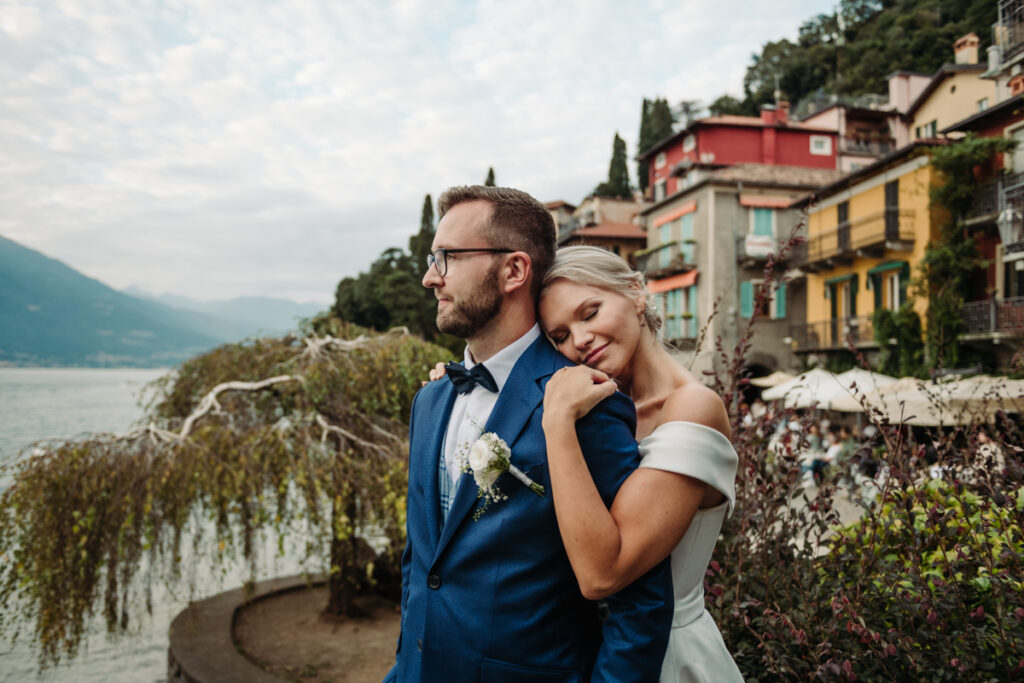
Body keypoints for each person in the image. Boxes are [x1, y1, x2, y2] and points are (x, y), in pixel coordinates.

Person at [384, 187, 672, 683]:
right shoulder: (429, 400)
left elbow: (639, 600)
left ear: (514, 270)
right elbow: (421, 562)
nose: (431, 277)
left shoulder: (587, 401)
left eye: (447, 258)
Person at [537, 245, 743, 683]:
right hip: (581, 651)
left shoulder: (692, 407)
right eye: (559, 336)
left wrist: (556, 422)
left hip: (668, 657)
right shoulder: (600, 410)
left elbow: (602, 574)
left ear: (636, 293)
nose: (579, 339)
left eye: (589, 312)